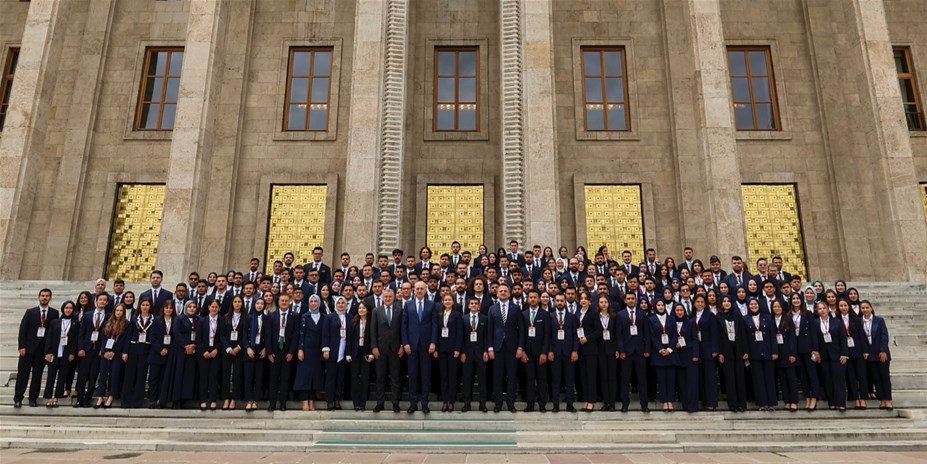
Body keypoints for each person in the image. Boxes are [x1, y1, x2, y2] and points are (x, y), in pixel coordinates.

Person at [15, 288, 58, 408]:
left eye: (47, 296)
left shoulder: (54, 313)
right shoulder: (30, 312)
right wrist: (21, 346)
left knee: (37, 376)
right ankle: (18, 398)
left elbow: (53, 332)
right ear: (39, 297)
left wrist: (49, 351)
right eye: (42, 295)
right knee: (23, 375)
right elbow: (23, 330)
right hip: (28, 349)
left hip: (42, 350)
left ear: (50, 297)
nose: (44, 298)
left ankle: (33, 399)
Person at [487, 283, 523, 413]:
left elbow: (522, 330)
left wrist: (520, 347)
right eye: (500, 291)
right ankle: (498, 403)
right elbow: (489, 330)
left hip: (512, 348)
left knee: (512, 376)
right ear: (497, 294)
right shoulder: (492, 309)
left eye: (505, 291)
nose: (502, 293)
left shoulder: (516, 308)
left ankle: (511, 403)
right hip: (497, 348)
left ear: (509, 293)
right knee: (497, 376)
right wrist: (490, 348)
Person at [402, 281, 437, 414]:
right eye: (417, 288)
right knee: (412, 375)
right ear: (413, 290)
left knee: (426, 375)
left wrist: (433, 342)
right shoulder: (408, 305)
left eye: (422, 288)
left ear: (426, 289)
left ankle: (425, 403)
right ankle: (413, 403)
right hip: (411, 345)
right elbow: (404, 326)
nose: (420, 290)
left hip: (427, 345)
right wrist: (405, 343)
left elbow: (434, 325)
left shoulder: (431, 305)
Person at [370, 289, 404, 413]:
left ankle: (395, 403)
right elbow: (373, 330)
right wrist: (374, 347)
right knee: (380, 377)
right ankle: (380, 403)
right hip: (380, 349)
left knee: (395, 377)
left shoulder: (399, 310)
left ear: (394, 297)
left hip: (395, 349)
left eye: (390, 296)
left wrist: (402, 346)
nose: (388, 298)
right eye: (386, 296)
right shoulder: (376, 311)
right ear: (383, 297)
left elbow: (402, 330)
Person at [617, 292, 650, 413]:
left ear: (636, 300)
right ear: (625, 301)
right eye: (628, 299)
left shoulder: (642, 314)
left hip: (640, 351)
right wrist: (621, 350)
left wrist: (647, 349)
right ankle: (625, 404)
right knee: (625, 380)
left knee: (642, 380)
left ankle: (644, 405)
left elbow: (647, 334)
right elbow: (619, 335)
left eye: (633, 299)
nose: (631, 300)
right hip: (626, 352)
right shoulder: (620, 315)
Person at [75, 293, 109, 408]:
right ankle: (80, 398)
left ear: (107, 303)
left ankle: (87, 399)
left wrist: (103, 349)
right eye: (100, 300)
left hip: (99, 350)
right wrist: (80, 348)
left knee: (94, 375)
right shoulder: (87, 315)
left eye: (105, 300)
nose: (102, 302)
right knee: (82, 375)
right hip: (86, 349)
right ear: (96, 301)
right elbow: (81, 333)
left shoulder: (109, 316)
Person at [520, 290, 551, 412]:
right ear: (528, 299)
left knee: (542, 379)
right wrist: (522, 351)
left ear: (539, 299)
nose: (532, 299)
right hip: (527, 352)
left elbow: (547, 335)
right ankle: (530, 404)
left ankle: (542, 403)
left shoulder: (545, 314)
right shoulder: (523, 314)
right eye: (530, 297)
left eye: (535, 297)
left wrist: (544, 352)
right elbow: (521, 334)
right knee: (529, 379)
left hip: (540, 353)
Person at [42, 300, 77, 408]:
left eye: (70, 308)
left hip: (66, 354)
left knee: (62, 377)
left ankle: (56, 398)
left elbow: (75, 340)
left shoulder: (76, 323)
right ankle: (49, 398)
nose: (68, 310)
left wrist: (72, 353)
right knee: (51, 377)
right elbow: (49, 338)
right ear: (63, 309)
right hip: (54, 353)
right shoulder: (55, 322)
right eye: (66, 308)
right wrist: (47, 352)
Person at [267, 294, 298, 411]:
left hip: (287, 351)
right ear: (278, 302)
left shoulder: (294, 316)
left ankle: (283, 403)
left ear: (290, 302)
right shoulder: (272, 316)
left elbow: (295, 336)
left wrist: (291, 352)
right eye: (282, 300)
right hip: (274, 351)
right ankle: (272, 403)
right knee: (273, 379)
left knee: (285, 379)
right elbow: (268, 334)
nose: (284, 302)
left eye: (286, 300)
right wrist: (269, 352)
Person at [165, 301, 198, 409]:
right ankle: (176, 399)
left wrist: (193, 345)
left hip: (192, 350)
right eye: (190, 307)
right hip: (179, 350)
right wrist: (186, 346)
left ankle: (185, 398)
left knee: (188, 375)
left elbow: (201, 334)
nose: (192, 309)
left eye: (194, 307)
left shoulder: (197, 320)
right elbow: (176, 332)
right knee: (178, 373)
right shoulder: (180, 318)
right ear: (185, 308)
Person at [815, 301, 848, 411]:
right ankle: (832, 402)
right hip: (823, 356)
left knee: (839, 379)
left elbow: (843, 339)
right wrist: (816, 353)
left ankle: (841, 403)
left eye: (824, 308)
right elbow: (814, 340)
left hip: (837, 355)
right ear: (817, 311)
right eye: (820, 309)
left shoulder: (837, 322)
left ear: (828, 309)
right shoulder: (815, 323)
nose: (822, 310)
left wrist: (844, 354)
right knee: (827, 380)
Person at [121, 299, 155, 408]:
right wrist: (125, 351)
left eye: (147, 305)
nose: (145, 307)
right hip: (133, 348)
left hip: (146, 349)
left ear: (150, 306)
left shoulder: (154, 320)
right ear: (140, 306)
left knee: (141, 376)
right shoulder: (134, 319)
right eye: (143, 305)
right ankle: (126, 401)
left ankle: (137, 402)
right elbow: (128, 336)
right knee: (129, 376)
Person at [717, 295, 748, 412]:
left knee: (740, 377)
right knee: (729, 378)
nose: (726, 303)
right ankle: (733, 404)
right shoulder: (718, 317)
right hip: (726, 350)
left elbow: (743, 334)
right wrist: (720, 352)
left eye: (728, 301)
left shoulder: (737, 316)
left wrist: (745, 350)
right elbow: (717, 336)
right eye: (724, 301)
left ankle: (742, 404)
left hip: (739, 348)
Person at [861, 300, 892, 410]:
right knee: (876, 378)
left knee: (884, 377)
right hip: (870, 355)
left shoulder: (879, 320)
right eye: (863, 308)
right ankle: (881, 400)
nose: (865, 310)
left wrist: (883, 351)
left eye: (867, 308)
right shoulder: (860, 322)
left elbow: (884, 336)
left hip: (881, 352)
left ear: (871, 308)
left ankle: (888, 400)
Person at [295, 295, 325, 411]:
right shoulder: (304, 316)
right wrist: (300, 349)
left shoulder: (323, 317)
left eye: (315, 301)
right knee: (305, 376)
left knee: (315, 376)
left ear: (319, 303)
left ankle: (311, 400)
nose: (313, 303)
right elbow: (301, 334)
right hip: (306, 350)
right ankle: (304, 401)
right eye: (311, 301)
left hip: (318, 350)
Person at [95, 303, 128, 409]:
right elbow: (103, 338)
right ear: (114, 311)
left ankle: (111, 396)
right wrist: (105, 351)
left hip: (116, 354)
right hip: (106, 353)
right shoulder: (108, 322)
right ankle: (100, 397)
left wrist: (114, 352)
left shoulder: (126, 324)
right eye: (117, 310)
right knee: (103, 374)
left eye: (121, 311)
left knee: (114, 375)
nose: (119, 312)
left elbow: (123, 340)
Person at [322, 296, 352, 410]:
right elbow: (325, 334)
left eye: (342, 303)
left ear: (346, 305)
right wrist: (326, 349)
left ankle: (337, 399)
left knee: (340, 377)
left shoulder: (350, 317)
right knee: (331, 377)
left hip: (344, 349)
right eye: (338, 303)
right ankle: (329, 401)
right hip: (332, 349)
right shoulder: (329, 317)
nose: (340, 305)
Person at [838, 298, 868, 410]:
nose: (843, 308)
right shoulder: (836, 319)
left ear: (849, 306)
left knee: (861, 376)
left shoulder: (856, 319)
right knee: (851, 376)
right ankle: (856, 399)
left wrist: (865, 351)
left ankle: (863, 399)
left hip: (858, 351)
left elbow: (862, 336)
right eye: (841, 306)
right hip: (846, 353)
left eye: (845, 305)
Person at [434, 294, 463, 412]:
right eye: (445, 300)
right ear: (442, 301)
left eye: (449, 300)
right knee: (443, 376)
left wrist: (457, 349)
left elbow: (460, 333)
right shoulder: (439, 315)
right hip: (441, 349)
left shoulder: (457, 315)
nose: (447, 301)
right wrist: (435, 347)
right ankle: (445, 401)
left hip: (452, 350)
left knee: (452, 376)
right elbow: (435, 331)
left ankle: (451, 401)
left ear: (453, 302)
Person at [460, 298, 489, 412]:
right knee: (467, 379)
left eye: (476, 304)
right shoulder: (463, 319)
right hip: (467, 353)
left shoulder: (485, 319)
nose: (473, 305)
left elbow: (487, 336)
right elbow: (461, 337)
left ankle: (483, 404)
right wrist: (462, 352)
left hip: (481, 353)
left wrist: (486, 350)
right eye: (471, 303)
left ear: (479, 306)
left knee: (482, 379)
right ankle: (467, 403)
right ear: (468, 306)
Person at [692, 294, 719, 411]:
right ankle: (703, 401)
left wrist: (715, 350)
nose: (700, 304)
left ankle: (712, 402)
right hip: (697, 349)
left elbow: (715, 333)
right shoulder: (692, 316)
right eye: (697, 302)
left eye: (702, 302)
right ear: (694, 303)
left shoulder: (710, 315)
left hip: (708, 349)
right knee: (701, 376)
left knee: (710, 377)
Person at [649, 300, 677, 413]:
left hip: (671, 353)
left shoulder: (672, 319)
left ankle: (670, 401)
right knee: (661, 379)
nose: (660, 307)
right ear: (655, 307)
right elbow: (652, 337)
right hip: (658, 353)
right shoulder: (651, 320)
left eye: (662, 305)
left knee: (670, 379)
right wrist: (660, 349)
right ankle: (664, 401)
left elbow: (675, 335)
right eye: (658, 305)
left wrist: (670, 349)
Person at [221, 295, 248, 410]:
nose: (237, 303)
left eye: (239, 301)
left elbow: (245, 335)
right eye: (235, 301)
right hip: (227, 349)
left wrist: (239, 347)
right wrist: (228, 348)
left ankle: (234, 399)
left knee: (237, 375)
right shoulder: (226, 317)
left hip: (239, 349)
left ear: (242, 304)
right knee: (226, 374)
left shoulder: (246, 317)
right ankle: (226, 398)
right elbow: (222, 335)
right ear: (232, 303)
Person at [771, 299, 798, 412]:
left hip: (788, 352)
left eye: (779, 306)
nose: (777, 308)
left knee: (791, 378)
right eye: (775, 307)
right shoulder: (771, 320)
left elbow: (792, 338)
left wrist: (792, 353)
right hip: (778, 353)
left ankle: (794, 401)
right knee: (782, 379)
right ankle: (787, 401)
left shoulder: (788, 319)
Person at [147, 299, 174, 409]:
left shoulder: (175, 320)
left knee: (164, 378)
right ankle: (152, 400)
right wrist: (160, 349)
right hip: (156, 354)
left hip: (168, 354)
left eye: (170, 308)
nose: (168, 310)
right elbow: (152, 338)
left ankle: (161, 400)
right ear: (163, 308)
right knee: (154, 378)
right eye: (166, 307)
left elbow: (175, 337)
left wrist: (168, 349)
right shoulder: (157, 320)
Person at [673, 303, 700, 413]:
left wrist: (695, 355)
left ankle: (693, 406)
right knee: (682, 383)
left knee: (692, 382)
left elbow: (695, 339)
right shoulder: (671, 323)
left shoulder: (690, 323)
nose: (679, 312)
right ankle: (685, 405)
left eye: (681, 310)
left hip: (690, 355)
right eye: (677, 310)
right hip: (678, 356)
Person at [347, 302, 374, 411]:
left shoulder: (371, 322)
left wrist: (372, 352)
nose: (361, 309)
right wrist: (348, 353)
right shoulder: (353, 321)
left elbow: (373, 338)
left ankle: (363, 403)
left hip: (366, 352)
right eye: (360, 308)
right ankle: (356, 403)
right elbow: (349, 339)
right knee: (354, 378)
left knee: (365, 378)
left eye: (363, 308)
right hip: (355, 352)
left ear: (367, 310)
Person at [196, 300, 223, 411]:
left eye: (216, 307)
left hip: (216, 352)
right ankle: (203, 400)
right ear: (208, 307)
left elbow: (223, 337)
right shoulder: (202, 321)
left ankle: (212, 400)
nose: (214, 309)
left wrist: (217, 349)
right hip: (204, 353)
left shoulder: (222, 320)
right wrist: (203, 351)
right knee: (203, 377)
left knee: (213, 377)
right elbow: (198, 338)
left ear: (219, 308)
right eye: (212, 307)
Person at [243, 298, 268, 412]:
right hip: (250, 350)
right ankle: (248, 400)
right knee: (248, 376)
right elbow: (243, 335)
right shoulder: (248, 318)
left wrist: (266, 348)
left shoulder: (267, 318)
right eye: (257, 303)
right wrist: (247, 347)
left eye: (262, 304)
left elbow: (269, 336)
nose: (259, 305)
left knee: (259, 376)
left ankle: (256, 400)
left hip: (261, 350)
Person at [595, 294, 619, 412]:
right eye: (601, 302)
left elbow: (617, 334)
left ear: (608, 304)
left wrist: (618, 349)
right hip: (600, 350)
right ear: (598, 304)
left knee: (612, 377)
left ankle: (612, 402)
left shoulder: (614, 316)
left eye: (605, 302)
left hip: (612, 349)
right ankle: (606, 402)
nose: (603, 304)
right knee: (603, 377)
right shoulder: (595, 317)